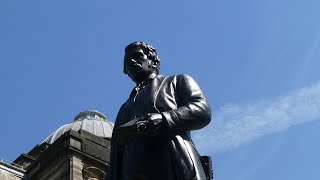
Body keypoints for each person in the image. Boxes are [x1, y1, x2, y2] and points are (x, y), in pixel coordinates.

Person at [107, 42, 211, 180]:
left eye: (137, 56)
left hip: (175, 168)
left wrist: (163, 119)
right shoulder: (124, 109)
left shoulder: (177, 81)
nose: (132, 62)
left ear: (153, 60)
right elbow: (116, 157)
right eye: (127, 61)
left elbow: (202, 110)